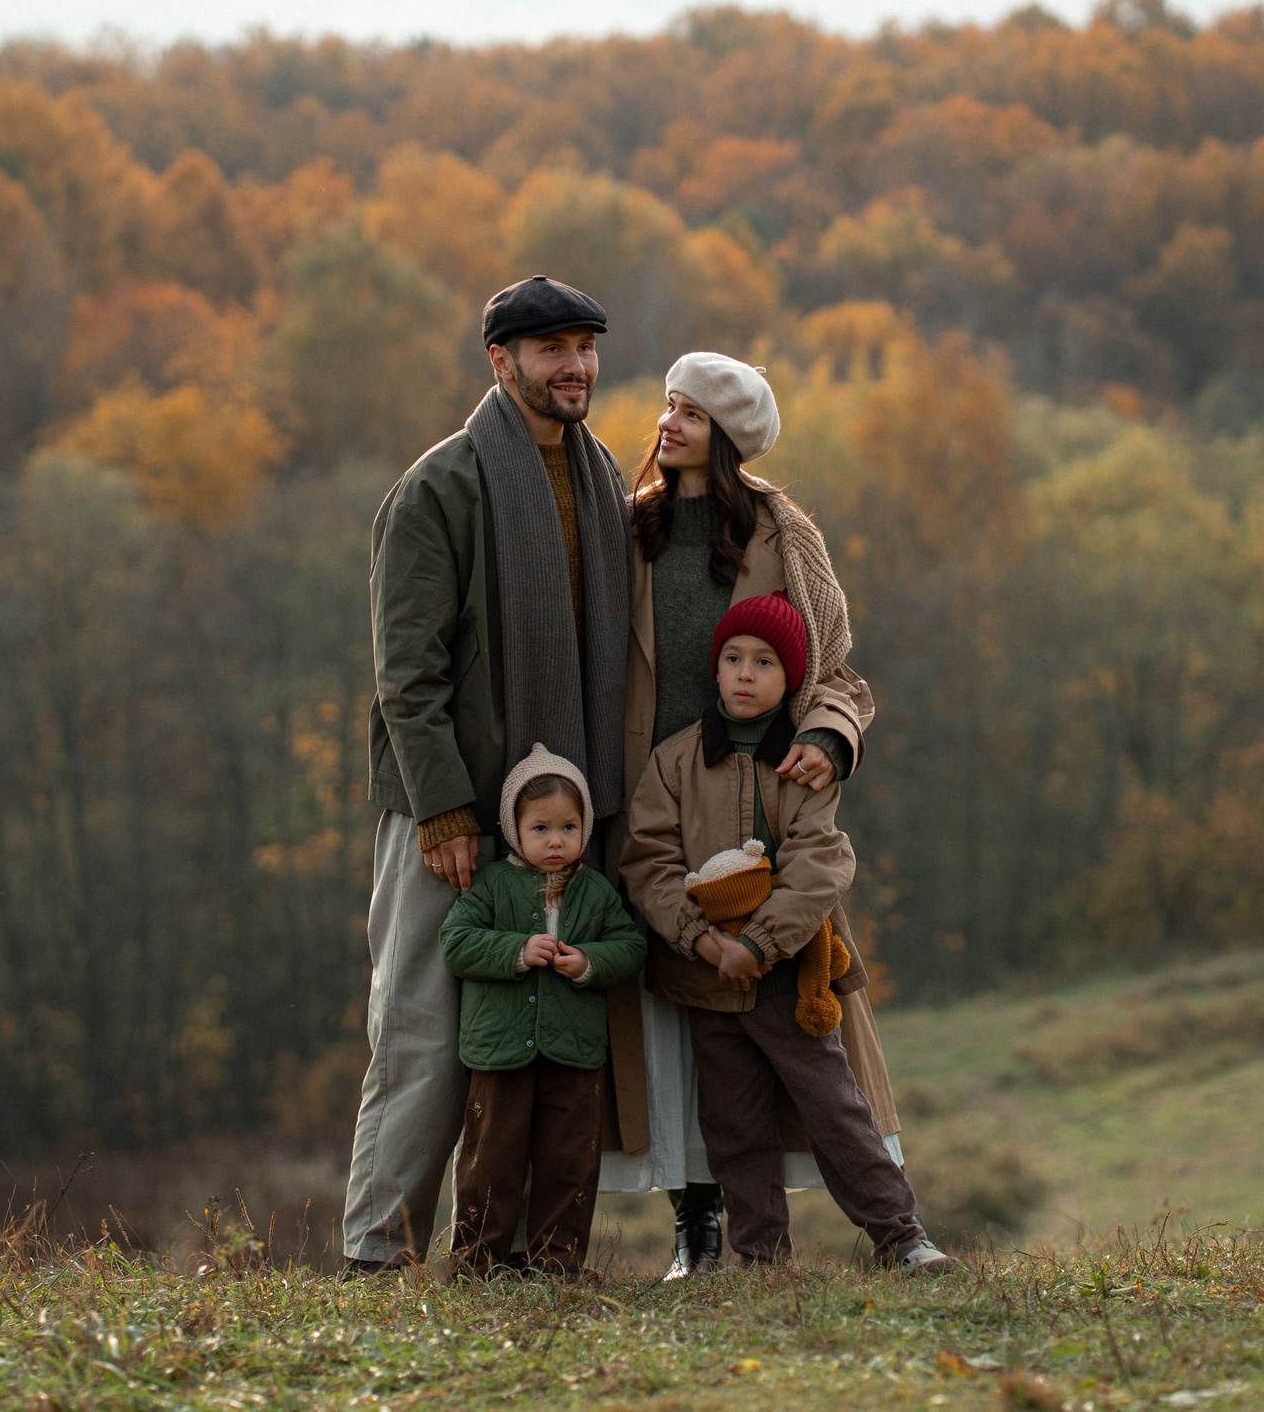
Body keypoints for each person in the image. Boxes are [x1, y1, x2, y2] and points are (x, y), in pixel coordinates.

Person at [343, 276, 633, 1275]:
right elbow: (404, 677)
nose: (574, 366)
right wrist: (445, 809)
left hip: (561, 821)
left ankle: (502, 1251)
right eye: (550, 349)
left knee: (536, 1036)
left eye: (584, 347)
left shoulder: (599, 485)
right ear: (499, 362)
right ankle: (377, 1255)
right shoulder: (439, 489)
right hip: (450, 812)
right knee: (423, 1035)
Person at [599, 351, 894, 1277]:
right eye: (668, 403)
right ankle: (698, 1228)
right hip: (654, 796)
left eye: (689, 409)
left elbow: (837, 668)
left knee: (789, 1019)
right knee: (676, 1023)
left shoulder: (784, 531)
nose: (668, 421)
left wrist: (831, 740)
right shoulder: (630, 528)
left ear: (726, 434)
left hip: (762, 799)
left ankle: (888, 1224)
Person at [622, 593, 952, 1270]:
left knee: (835, 1108)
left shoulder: (801, 763)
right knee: (733, 1123)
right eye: (733, 659)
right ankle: (761, 1258)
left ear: (790, 677)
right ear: (714, 670)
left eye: (765, 662)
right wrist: (704, 940)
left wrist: (758, 942)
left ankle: (901, 1235)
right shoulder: (676, 761)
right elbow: (648, 860)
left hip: (788, 977)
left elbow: (820, 860)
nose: (745, 673)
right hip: (706, 980)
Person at [439, 744, 646, 1275]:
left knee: (570, 1161)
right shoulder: (487, 886)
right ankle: (476, 1262)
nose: (556, 841)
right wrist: (516, 950)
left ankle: (557, 1263)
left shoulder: (596, 892)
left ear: (585, 828)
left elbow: (631, 948)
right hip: (500, 1052)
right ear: (514, 830)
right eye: (540, 829)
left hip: (574, 1053)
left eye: (569, 828)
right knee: (491, 1158)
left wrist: (589, 962)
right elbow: (456, 943)